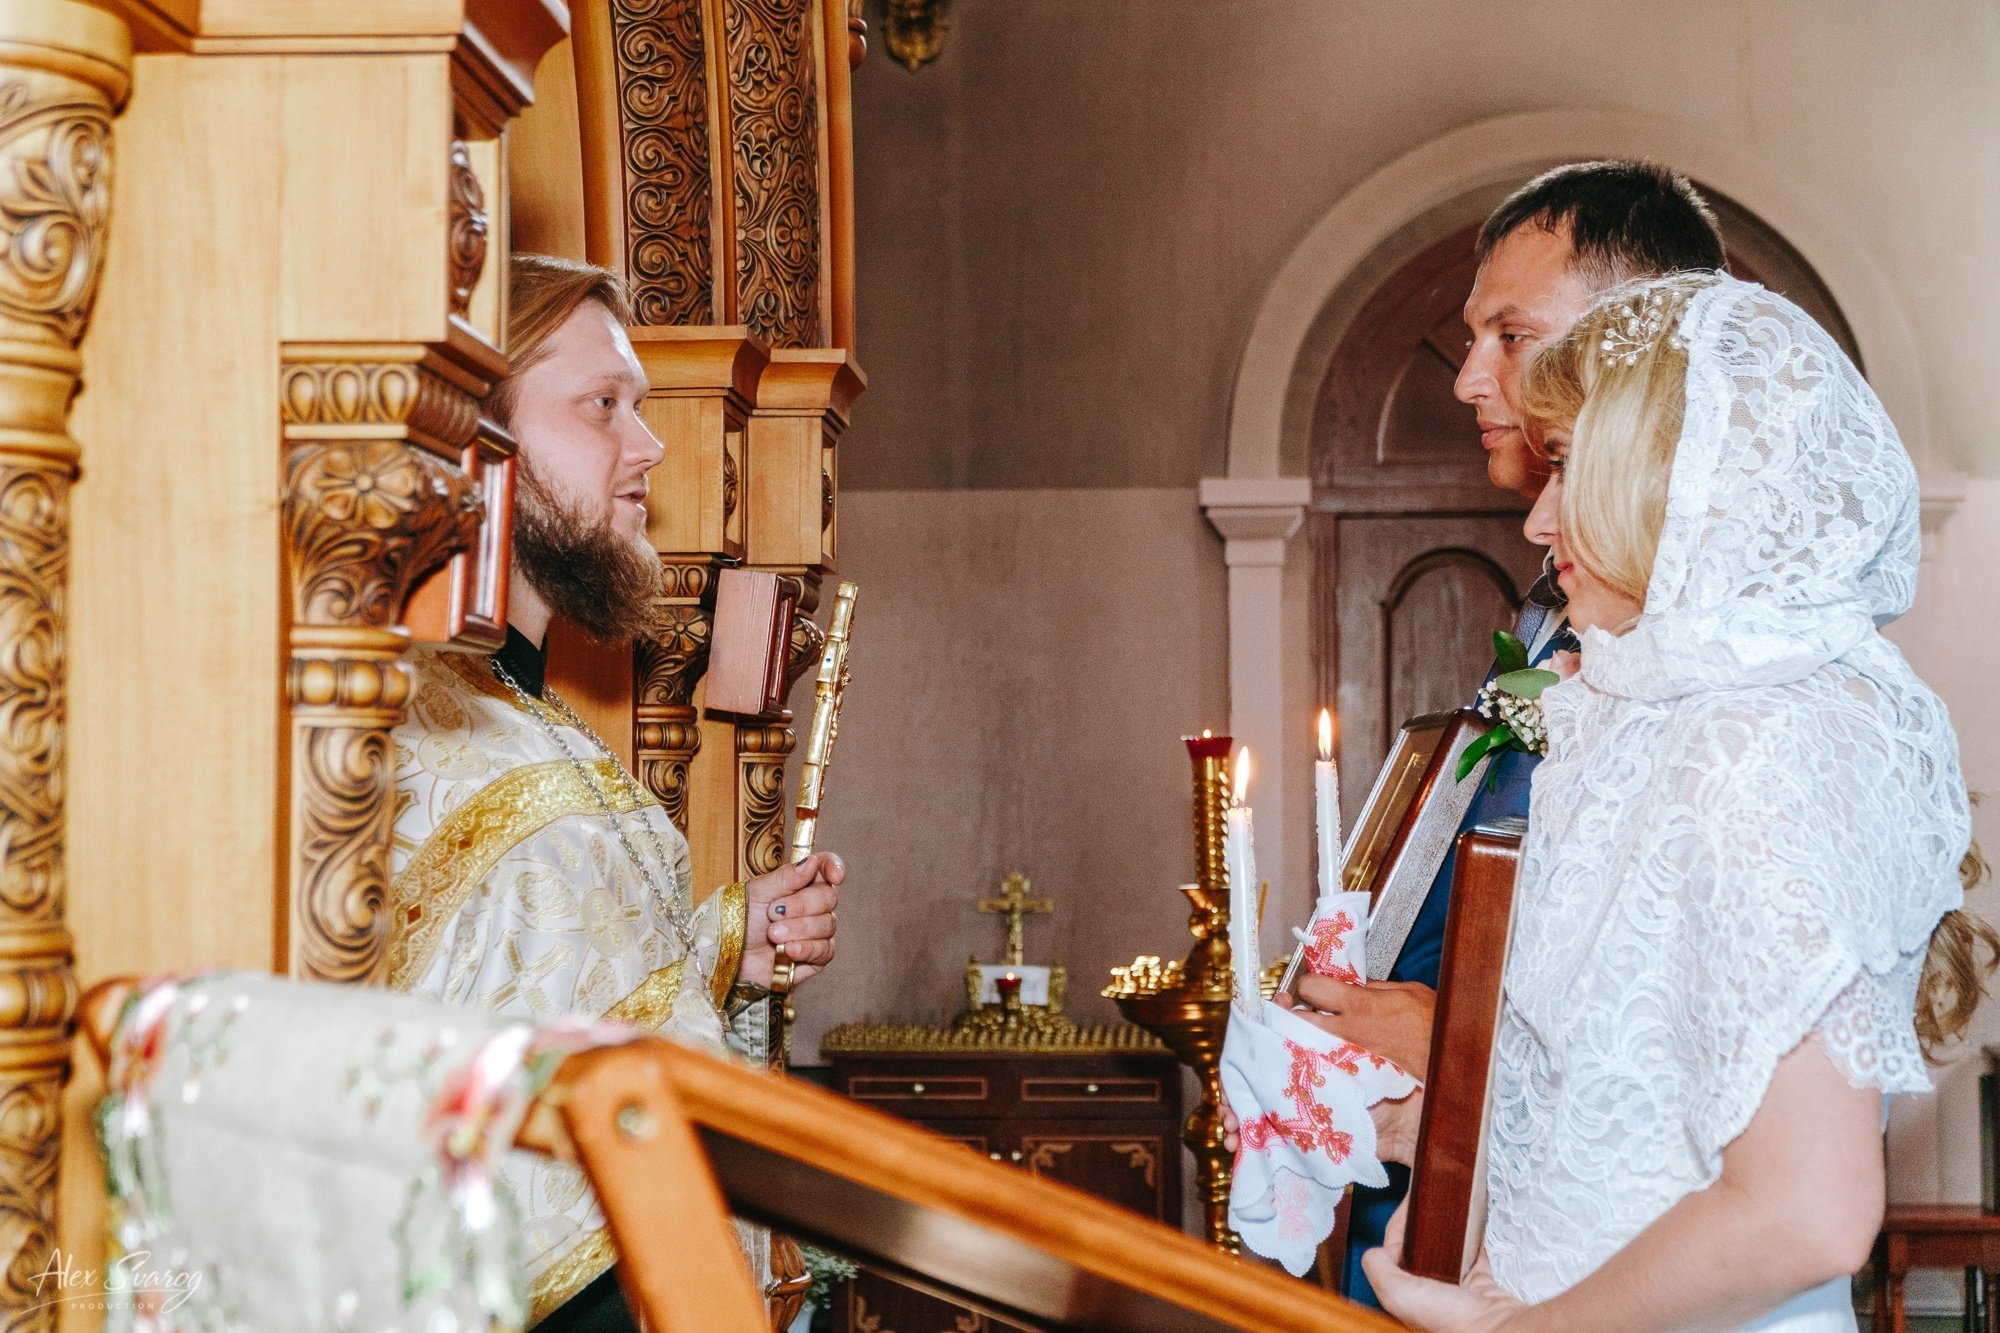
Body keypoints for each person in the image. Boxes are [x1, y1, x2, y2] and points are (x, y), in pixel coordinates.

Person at [1363, 271, 1992, 1332]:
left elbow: (1806, 1212)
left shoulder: (1755, 739)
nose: (1537, 518)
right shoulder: (1645, 717)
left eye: (1563, 466)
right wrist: (1444, 1128)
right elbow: (1634, 1110)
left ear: (1671, 484)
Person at [1277, 160, 1730, 1303]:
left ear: (1636, 345)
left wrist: (1466, 1048)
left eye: (1509, 334)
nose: (1468, 375)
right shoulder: (1553, 605)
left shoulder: (1713, 665)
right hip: (1431, 1205)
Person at [388, 254, 844, 1331]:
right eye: (603, 406)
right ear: (479, 434)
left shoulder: (522, 718)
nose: (648, 445)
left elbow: (534, 995)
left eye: (640, 405)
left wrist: (727, 942)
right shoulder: (412, 721)